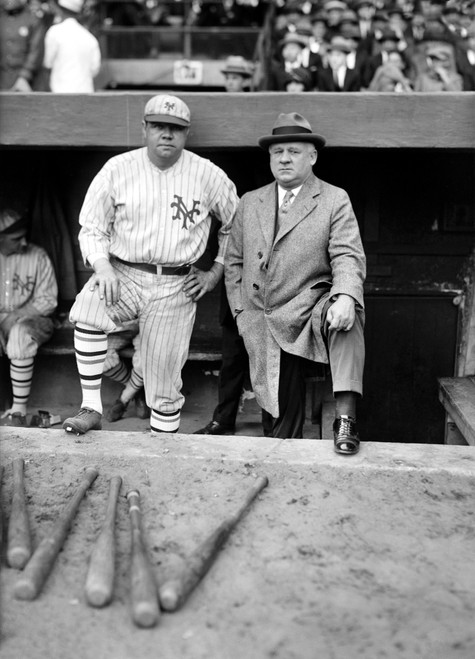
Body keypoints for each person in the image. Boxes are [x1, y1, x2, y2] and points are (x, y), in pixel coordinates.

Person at [63, 94, 238, 435]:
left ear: (186, 133)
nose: (167, 135)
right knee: (87, 310)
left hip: (175, 284)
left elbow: (237, 224)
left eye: (176, 128)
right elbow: (93, 228)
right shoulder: (118, 169)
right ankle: (91, 407)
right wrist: (102, 267)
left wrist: (215, 271)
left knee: (164, 385)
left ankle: (163, 456)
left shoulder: (207, 174)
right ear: (144, 129)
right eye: (159, 126)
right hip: (123, 273)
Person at [225, 112, 366, 455]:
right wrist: (241, 312)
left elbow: (347, 256)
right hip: (260, 314)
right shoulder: (250, 201)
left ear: (312, 156)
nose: (284, 159)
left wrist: (346, 295)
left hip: (308, 309)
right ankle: (282, 458)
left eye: (294, 151)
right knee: (279, 423)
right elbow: (233, 262)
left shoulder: (334, 199)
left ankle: (345, 420)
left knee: (349, 315)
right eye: (278, 153)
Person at [0, 208, 58, 426]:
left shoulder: (37, 255)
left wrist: (14, 316)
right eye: (15, 239)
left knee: (19, 332)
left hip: (34, 320)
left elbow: (48, 301)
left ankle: (18, 410)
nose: (23, 242)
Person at [43, 0, 101, 93]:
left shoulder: (54, 32)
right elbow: (94, 69)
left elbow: (47, 64)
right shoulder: (90, 39)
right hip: (85, 95)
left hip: (60, 94)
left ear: (60, 10)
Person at [0, 0, 46, 91]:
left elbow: (35, 51)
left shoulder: (32, 19)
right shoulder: (2, 18)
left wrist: (24, 76)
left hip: (25, 82)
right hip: (3, 79)